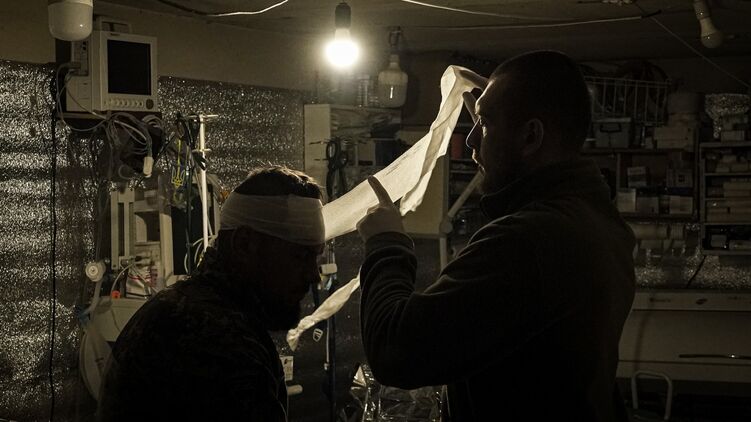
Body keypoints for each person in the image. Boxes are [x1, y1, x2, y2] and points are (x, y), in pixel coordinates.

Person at [356, 51, 636, 421]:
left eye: (484, 124)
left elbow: (396, 352)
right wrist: (497, 119)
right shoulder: (602, 223)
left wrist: (386, 244)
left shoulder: (529, 239)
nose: (472, 139)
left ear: (531, 136)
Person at [97, 166, 325, 421]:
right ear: (244, 244)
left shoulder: (182, 307)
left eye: (315, 258)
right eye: (300, 256)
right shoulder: (219, 344)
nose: (313, 275)